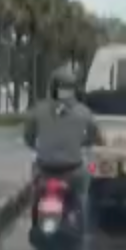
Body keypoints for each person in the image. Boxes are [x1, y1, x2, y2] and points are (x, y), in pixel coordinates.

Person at [24, 65, 103, 222]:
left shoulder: (37, 110)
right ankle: (81, 223)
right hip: (72, 171)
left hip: (45, 169)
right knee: (82, 196)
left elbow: (28, 137)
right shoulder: (84, 112)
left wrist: (38, 146)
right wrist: (83, 142)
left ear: (52, 87)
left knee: (36, 190)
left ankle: (35, 217)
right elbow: (96, 137)